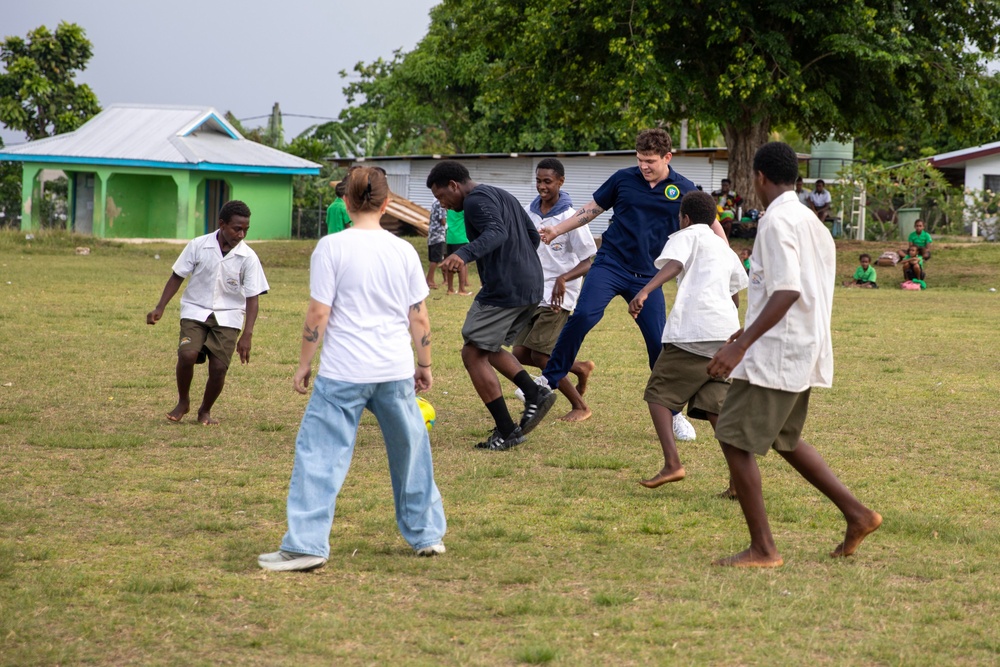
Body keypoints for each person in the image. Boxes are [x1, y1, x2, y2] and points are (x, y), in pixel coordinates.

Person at [259, 166, 446, 572]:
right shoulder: (403, 251)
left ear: (346, 201)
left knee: (320, 456)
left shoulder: (331, 247)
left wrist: (304, 364)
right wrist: (425, 363)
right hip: (394, 370)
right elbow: (419, 317)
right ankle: (427, 535)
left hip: (342, 372)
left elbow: (318, 312)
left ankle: (307, 545)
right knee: (411, 451)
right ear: (386, 203)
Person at [707, 142, 881, 568]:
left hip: (777, 352)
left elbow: (787, 290)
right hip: (799, 345)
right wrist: (746, 329)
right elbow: (790, 290)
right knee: (785, 438)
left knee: (731, 435)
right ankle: (858, 514)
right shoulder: (810, 220)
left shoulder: (776, 220)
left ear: (759, 178)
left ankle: (764, 549)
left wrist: (741, 345)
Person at [538, 129, 727, 442]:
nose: (644, 166)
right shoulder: (623, 179)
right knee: (584, 315)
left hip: (650, 276)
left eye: (650, 161)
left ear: (667, 157)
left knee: (658, 344)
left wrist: (724, 259)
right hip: (611, 264)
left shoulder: (684, 189)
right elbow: (590, 210)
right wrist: (557, 229)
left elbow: (713, 227)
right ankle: (548, 381)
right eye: (640, 159)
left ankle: (674, 412)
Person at [428, 160, 557, 451]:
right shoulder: (501, 194)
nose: (444, 205)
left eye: (442, 197)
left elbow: (496, 232)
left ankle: (508, 429)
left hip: (506, 287)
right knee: (487, 346)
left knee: (472, 352)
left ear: (454, 185)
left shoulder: (475, 201)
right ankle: (534, 393)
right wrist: (520, 262)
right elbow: (532, 236)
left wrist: (463, 254)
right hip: (531, 283)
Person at [628, 190, 748, 490]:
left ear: (686, 217)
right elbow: (735, 292)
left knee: (658, 396)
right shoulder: (725, 249)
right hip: (724, 337)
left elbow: (675, 264)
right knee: (716, 408)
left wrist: (645, 290)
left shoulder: (688, 234)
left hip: (693, 333)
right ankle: (739, 480)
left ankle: (672, 464)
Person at [146, 200, 269, 425]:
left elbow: (253, 297)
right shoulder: (198, 245)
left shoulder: (248, 257)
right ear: (221, 224)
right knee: (187, 355)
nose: (242, 234)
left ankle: (205, 411)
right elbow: (177, 276)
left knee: (219, 367)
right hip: (195, 310)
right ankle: (183, 401)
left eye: (246, 230)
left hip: (229, 315)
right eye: (237, 229)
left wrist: (247, 334)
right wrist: (160, 307)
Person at [513, 158, 598, 422]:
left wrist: (563, 278)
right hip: (533, 291)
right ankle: (580, 368)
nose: (542, 186)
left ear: (560, 182)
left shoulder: (570, 218)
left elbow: (589, 259)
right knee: (519, 353)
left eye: (547, 181)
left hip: (560, 294)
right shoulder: (530, 212)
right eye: (538, 181)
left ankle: (580, 406)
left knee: (541, 355)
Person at [444, 208, 473, 295]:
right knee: (462, 263)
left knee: (450, 263)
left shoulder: (449, 208)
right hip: (461, 237)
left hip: (450, 238)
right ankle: (462, 289)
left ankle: (450, 289)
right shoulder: (463, 209)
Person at [426, 200, 447, 289]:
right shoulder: (442, 204)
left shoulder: (434, 203)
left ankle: (437, 280)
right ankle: (429, 280)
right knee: (435, 259)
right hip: (438, 234)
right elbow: (442, 220)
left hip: (432, 234)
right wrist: (447, 225)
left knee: (435, 258)